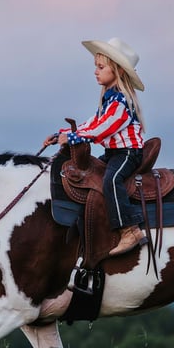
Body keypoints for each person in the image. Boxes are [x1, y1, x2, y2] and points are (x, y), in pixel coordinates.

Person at [44, 37, 148, 256]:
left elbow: (104, 128)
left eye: (101, 67)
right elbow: (93, 123)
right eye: (96, 67)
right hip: (112, 153)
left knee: (112, 180)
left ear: (118, 70)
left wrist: (74, 139)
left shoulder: (122, 101)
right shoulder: (109, 100)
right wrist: (62, 134)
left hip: (128, 154)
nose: (95, 72)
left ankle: (130, 229)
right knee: (91, 179)